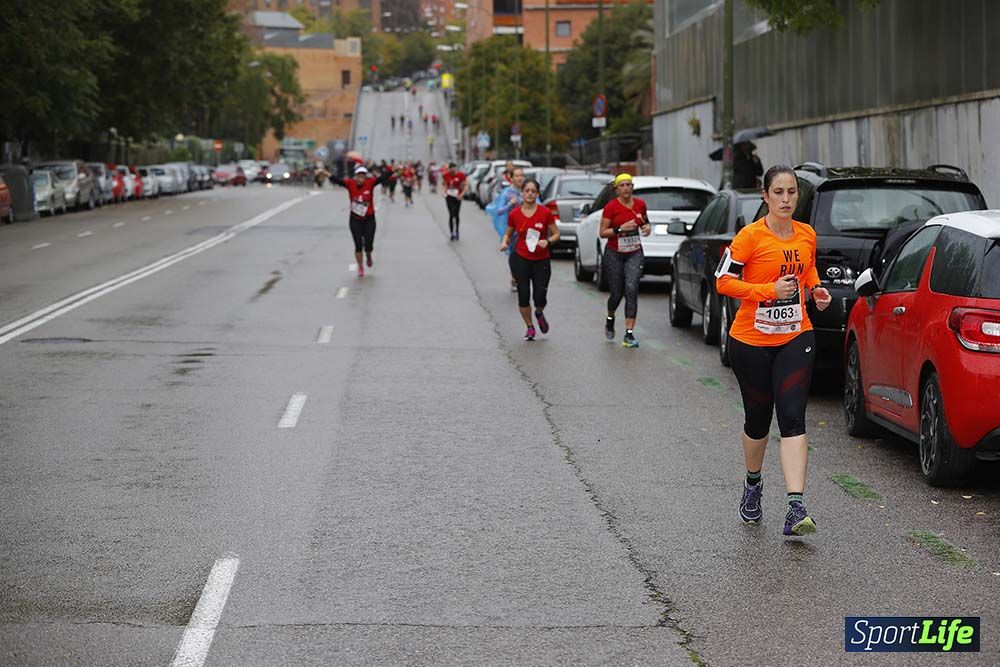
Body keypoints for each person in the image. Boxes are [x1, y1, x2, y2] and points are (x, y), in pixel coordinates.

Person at [715, 164, 832, 536]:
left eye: (792, 192)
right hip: (751, 341)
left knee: (793, 417)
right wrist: (767, 291)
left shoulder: (807, 234)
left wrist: (816, 291)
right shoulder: (749, 238)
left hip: (797, 335)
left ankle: (795, 507)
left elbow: (808, 269)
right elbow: (722, 282)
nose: (786, 199)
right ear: (765, 196)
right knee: (758, 421)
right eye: (778, 192)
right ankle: (753, 484)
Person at [499, 178, 560, 340]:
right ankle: (530, 327)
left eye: (533, 191)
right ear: (522, 193)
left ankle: (539, 313)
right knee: (523, 295)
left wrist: (547, 241)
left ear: (537, 194)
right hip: (520, 258)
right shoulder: (515, 214)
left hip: (541, 260)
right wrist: (504, 242)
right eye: (527, 191)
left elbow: (556, 234)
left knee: (540, 297)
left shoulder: (545, 212)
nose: (530, 194)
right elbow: (508, 232)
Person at [599, 173, 651, 348]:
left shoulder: (640, 205)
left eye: (629, 185)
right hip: (614, 252)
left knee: (632, 288)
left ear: (632, 187)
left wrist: (647, 228)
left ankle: (629, 334)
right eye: (622, 185)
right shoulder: (611, 207)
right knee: (617, 293)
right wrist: (620, 229)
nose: (626, 188)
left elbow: (645, 222)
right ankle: (610, 316)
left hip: (634, 252)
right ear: (616, 189)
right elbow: (603, 232)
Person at [329, 164, 392, 277]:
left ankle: (368, 254)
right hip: (355, 220)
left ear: (365, 177)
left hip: (369, 219)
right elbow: (336, 180)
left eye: (363, 176)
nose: (361, 178)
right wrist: (324, 173)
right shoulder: (350, 184)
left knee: (368, 244)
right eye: (359, 176)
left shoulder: (370, 183)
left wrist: (394, 169)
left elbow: (383, 177)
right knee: (358, 245)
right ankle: (360, 266)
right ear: (355, 177)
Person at [486, 167, 525, 292]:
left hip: (526, 227)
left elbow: (538, 206)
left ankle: (521, 277)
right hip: (512, 229)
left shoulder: (527, 192)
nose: (520, 178)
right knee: (514, 255)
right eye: (517, 176)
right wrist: (510, 204)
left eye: (521, 175)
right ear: (512, 178)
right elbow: (498, 211)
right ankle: (514, 278)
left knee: (524, 254)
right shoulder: (507, 193)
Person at [442, 162, 467, 241]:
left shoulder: (461, 175)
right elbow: (444, 184)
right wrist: (444, 192)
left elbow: (465, 185)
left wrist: (461, 195)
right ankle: (452, 233)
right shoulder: (446, 175)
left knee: (456, 215)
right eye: (451, 169)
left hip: (457, 197)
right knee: (451, 214)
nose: (452, 170)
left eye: (454, 168)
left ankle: (457, 231)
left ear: (456, 168)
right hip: (449, 197)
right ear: (449, 169)